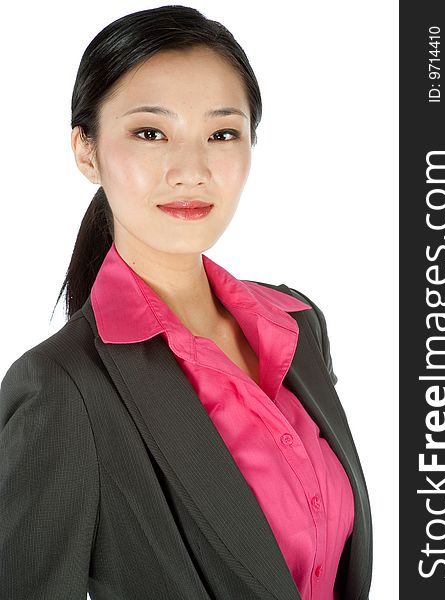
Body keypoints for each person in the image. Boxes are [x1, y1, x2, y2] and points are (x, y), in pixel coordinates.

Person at [0, 5, 372, 599]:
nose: (192, 169)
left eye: (222, 133)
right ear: (86, 151)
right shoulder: (60, 390)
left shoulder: (298, 322)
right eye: (151, 132)